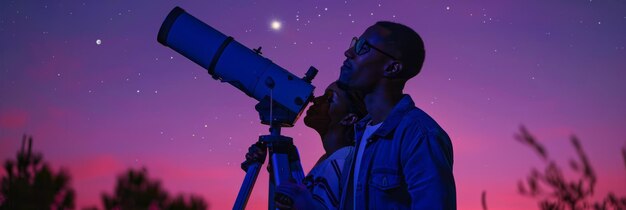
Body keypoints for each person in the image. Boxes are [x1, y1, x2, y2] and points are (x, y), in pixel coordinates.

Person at [337, 21, 456, 209]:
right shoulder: (361, 132)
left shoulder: (420, 136)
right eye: (355, 43)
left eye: (362, 47)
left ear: (392, 68)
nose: (349, 52)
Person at [244, 81, 367, 209]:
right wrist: (282, 163)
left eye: (328, 99)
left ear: (349, 119)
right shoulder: (329, 159)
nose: (316, 100)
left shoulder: (340, 162)